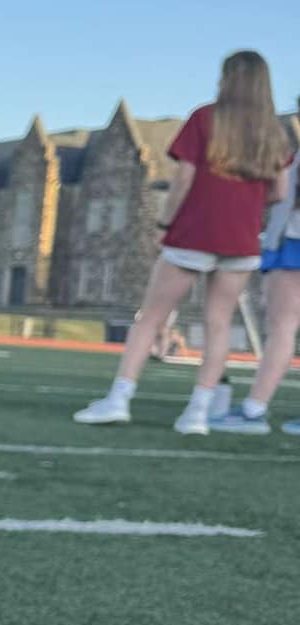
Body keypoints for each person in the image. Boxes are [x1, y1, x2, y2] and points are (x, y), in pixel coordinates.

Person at [74, 52, 290, 435]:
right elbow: (279, 191)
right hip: (240, 241)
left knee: (150, 318)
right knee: (218, 323)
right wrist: (247, 204)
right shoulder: (273, 133)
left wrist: (164, 222)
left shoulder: (205, 117)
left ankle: (119, 399)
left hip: (194, 232)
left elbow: (183, 182)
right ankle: (197, 413)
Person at [210, 133, 300, 433]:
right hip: (287, 241)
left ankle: (253, 410)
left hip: (293, 242)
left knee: (282, 327)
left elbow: (281, 194)